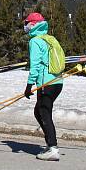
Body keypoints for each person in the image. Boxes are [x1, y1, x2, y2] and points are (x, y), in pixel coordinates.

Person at [23, 12, 63, 161]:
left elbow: (35, 66)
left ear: (33, 25)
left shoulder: (35, 41)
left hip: (46, 83)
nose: (25, 27)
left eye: (27, 24)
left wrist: (29, 85)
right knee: (39, 112)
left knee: (43, 112)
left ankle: (52, 148)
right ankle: (50, 145)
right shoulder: (50, 38)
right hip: (57, 82)